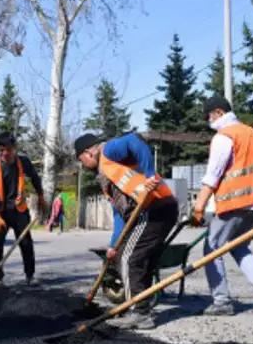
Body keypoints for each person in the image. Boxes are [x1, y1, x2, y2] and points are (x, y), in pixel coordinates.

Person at [74, 132, 177, 329]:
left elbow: (134, 141)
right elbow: (119, 216)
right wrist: (114, 246)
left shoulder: (108, 152)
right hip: (153, 210)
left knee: (129, 258)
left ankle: (139, 312)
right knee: (128, 255)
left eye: (81, 160)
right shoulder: (106, 175)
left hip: (153, 206)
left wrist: (149, 174)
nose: (83, 165)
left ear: (88, 153)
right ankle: (142, 303)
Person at [191, 95, 253, 316]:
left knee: (212, 249)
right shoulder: (251, 133)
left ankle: (221, 302)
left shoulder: (225, 137)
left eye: (208, 117)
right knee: (238, 245)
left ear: (219, 113)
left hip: (233, 202)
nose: (208, 121)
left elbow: (212, 175)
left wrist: (199, 207)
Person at [0, 133, 46, 287]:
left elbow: (35, 177)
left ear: (14, 149)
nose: (5, 153)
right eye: (2, 150)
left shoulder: (23, 162)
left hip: (18, 209)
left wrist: (41, 196)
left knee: (26, 242)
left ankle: (30, 276)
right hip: (0, 211)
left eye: (8, 149)